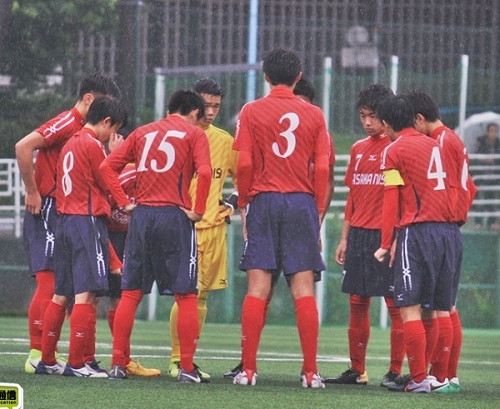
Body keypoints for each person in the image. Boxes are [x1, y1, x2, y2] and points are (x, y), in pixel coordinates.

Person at [223, 75, 335, 380]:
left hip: (264, 201)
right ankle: (311, 373)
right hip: (301, 202)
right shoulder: (315, 114)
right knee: (303, 289)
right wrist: (318, 210)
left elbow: (243, 165)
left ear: (267, 77)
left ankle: (248, 370)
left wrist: (244, 202)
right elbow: (323, 168)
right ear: (298, 77)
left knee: (258, 288)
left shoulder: (251, 110)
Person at [100, 89, 212, 383]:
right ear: (194, 114)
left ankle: (117, 364)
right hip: (174, 215)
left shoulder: (142, 132)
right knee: (186, 294)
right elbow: (205, 171)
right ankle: (186, 368)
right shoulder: (194, 134)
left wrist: (123, 200)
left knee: (130, 293)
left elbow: (107, 165)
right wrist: (198, 210)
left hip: (142, 217)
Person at [15, 73, 121, 373]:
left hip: (65, 211)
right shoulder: (69, 124)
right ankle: (39, 353)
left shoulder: (83, 134)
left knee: (68, 288)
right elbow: (23, 146)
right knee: (56, 285)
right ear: (89, 99)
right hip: (51, 207)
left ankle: (58, 356)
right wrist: (32, 191)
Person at [374, 95, 461, 393]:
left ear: (386, 124)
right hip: (448, 233)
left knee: (409, 308)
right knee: (440, 307)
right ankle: (439, 378)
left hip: (418, 232)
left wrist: (387, 242)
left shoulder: (393, 150)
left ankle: (420, 379)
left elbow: (391, 199)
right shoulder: (436, 143)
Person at [324, 84, 405, 388]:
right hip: (358, 235)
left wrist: (396, 236)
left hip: (384, 236)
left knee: (395, 303)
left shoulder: (394, 148)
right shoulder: (358, 149)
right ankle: (357, 370)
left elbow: (399, 196)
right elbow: (353, 196)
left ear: (385, 117)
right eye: (363, 116)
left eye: (373, 116)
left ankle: (395, 371)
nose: (367, 122)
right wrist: (344, 237)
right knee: (357, 302)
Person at [167, 79, 238, 380]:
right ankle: (175, 360)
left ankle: (188, 361)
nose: (210, 112)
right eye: (205, 105)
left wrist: (232, 203)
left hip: (213, 228)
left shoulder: (224, 141)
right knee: (185, 296)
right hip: (184, 226)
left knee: (202, 298)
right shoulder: (175, 136)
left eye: (216, 107)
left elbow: (244, 177)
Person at [408, 90, 476, 393]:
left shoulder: (441, 142)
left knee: (442, 306)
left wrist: (447, 216)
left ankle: (443, 376)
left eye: (412, 124)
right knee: (446, 305)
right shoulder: (452, 139)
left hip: (441, 227)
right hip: (449, 227)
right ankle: (448, 376)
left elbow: (448, 186)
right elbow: (468, 186)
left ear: (419, 119)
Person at [473, 123, 500, 229]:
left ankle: (492, 222)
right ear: (487, 131)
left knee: (492, 199)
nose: (493, 133)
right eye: (491, 130)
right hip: (482, 174)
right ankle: (478, 222)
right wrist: (485, 159)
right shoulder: (481, 141)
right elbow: (475, 155)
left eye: (495, 131)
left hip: (494, 175)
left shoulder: (498, 143)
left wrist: (494, 160)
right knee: (480, 198)